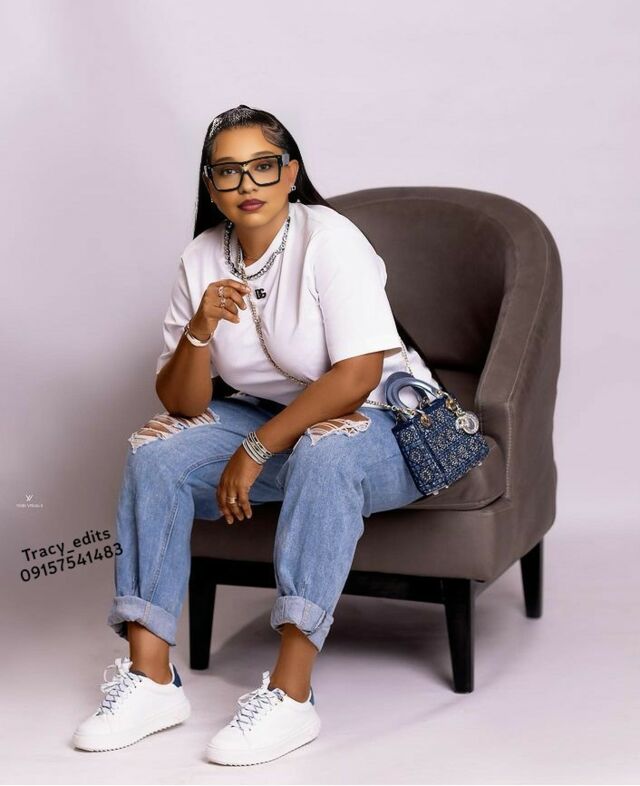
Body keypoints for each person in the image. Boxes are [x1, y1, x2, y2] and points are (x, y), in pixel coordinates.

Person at [71, 104, 441, 766]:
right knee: (156, 453)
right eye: (228, 171)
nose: (247, 183)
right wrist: (199, 331)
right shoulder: (201, 256)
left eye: (263, 166)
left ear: (291, 174)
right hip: (281, 418)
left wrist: (256, 446)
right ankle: (151, 679)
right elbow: (181, 401)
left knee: (326, 454)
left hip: (394, 421)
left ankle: (291, 695)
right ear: (210, 185)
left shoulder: (331, 240)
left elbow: (357, 374)